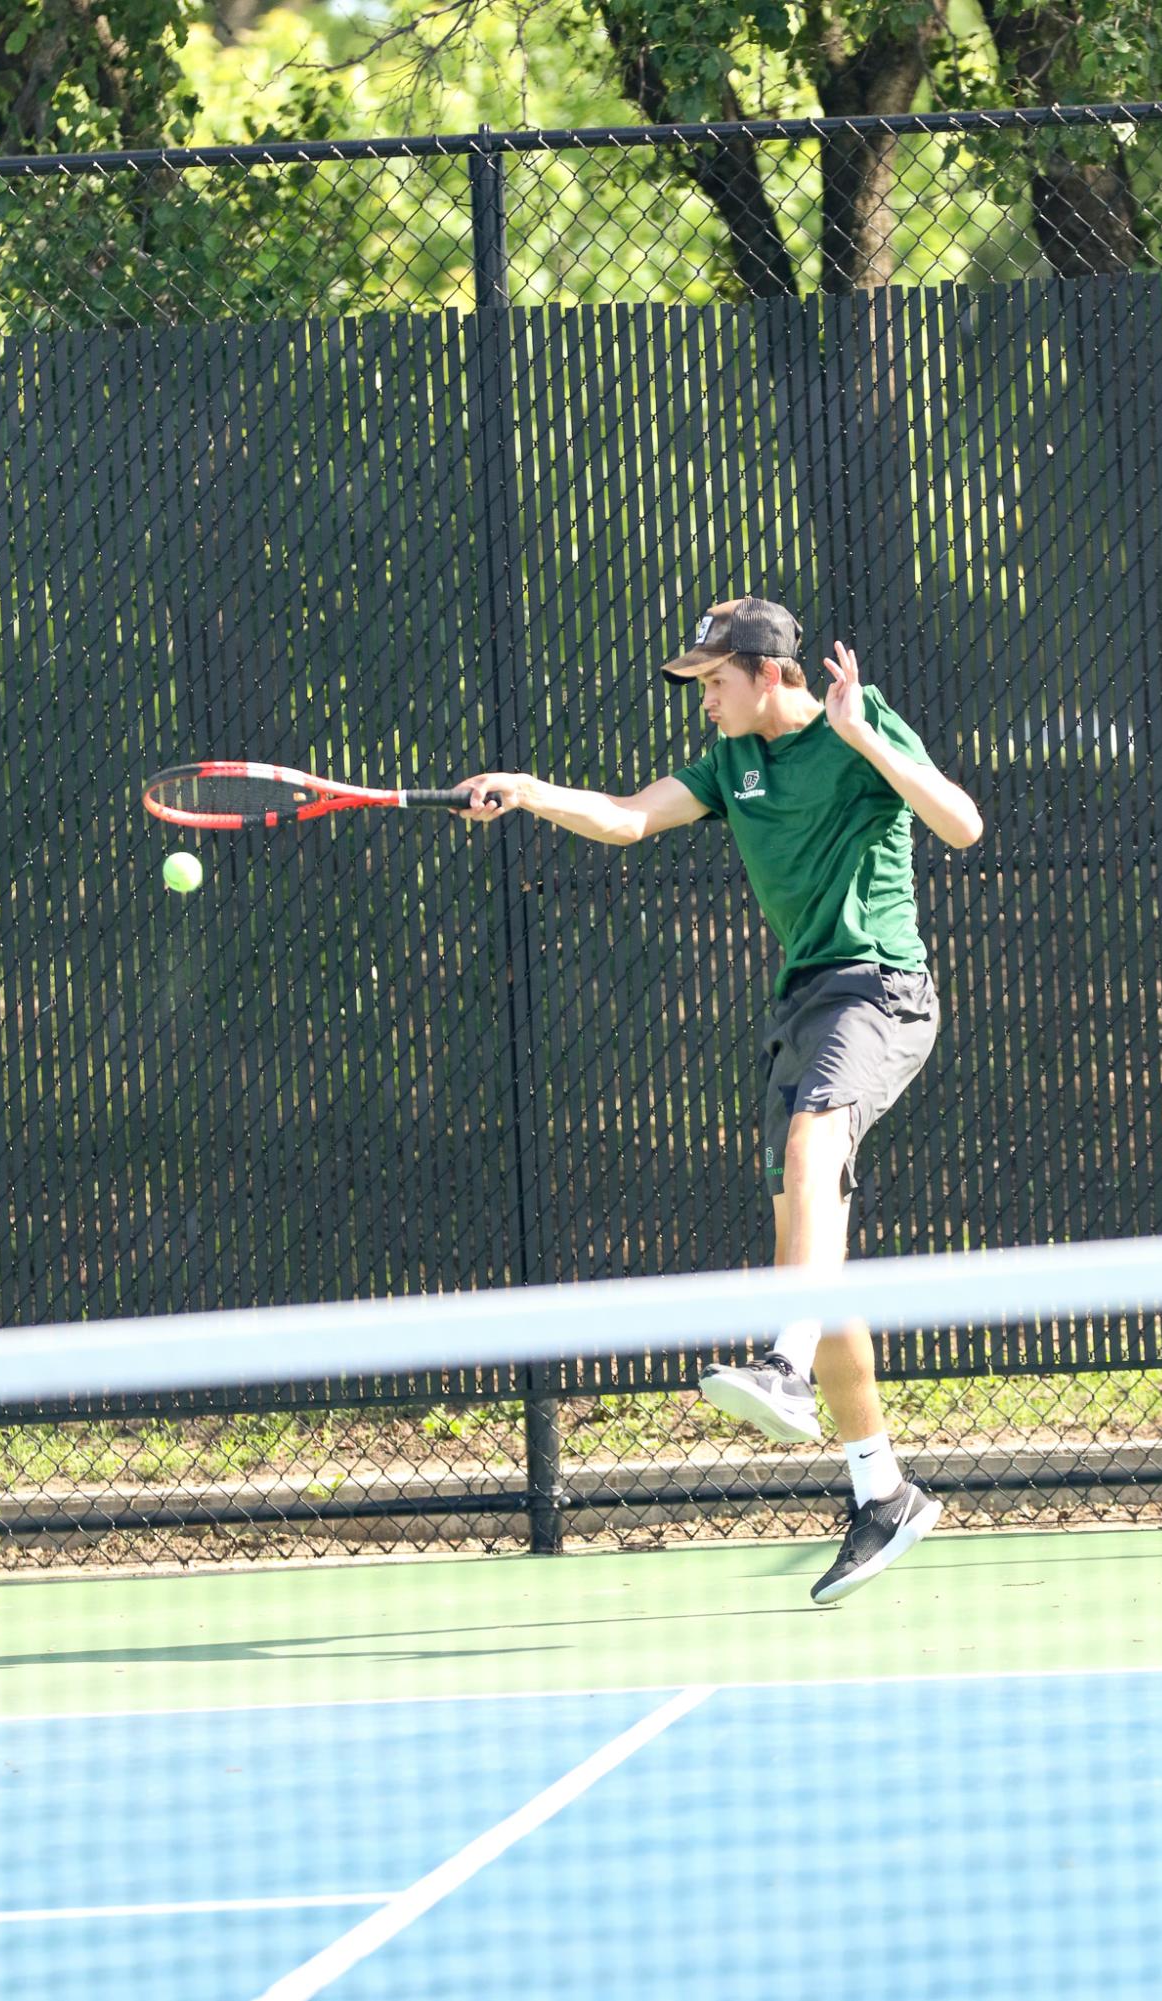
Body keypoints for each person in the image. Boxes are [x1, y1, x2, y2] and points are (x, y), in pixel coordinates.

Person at [457, 596, 983, 1604]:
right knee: (810, 1242)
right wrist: (525, 791)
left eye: (712, 682)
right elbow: (623, 820)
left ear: (766, 673)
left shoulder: (854, 720)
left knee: (811, 1139)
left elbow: (959, 825)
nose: (701, 700)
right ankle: (882, 1491)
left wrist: (866, 741)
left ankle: (779, 1363)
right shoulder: (727, 769)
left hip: (875, 987)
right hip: (801, 1004)